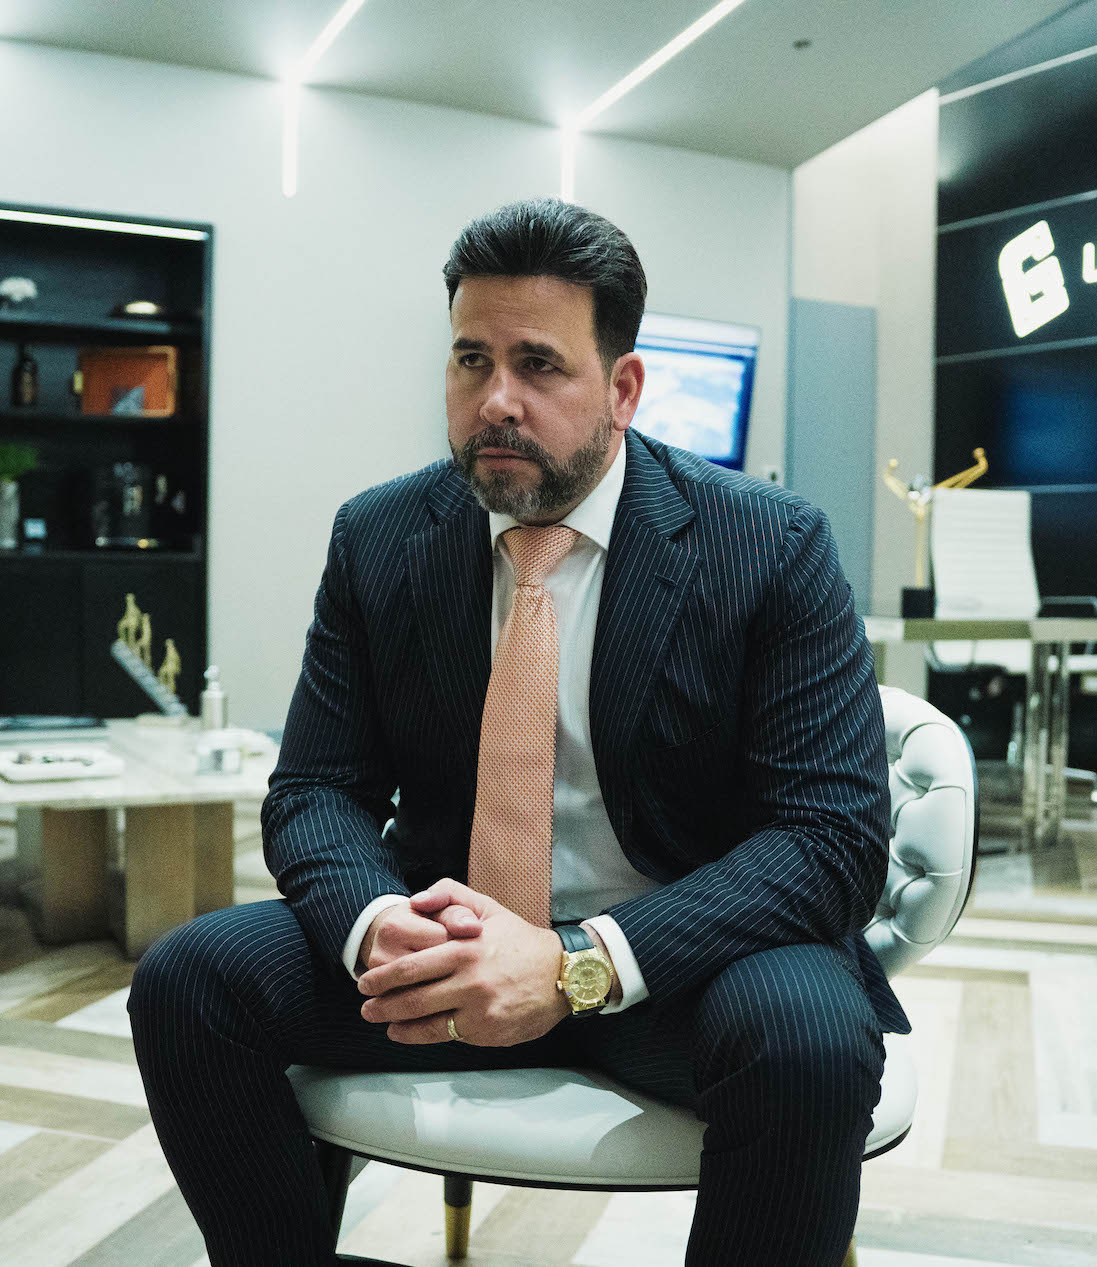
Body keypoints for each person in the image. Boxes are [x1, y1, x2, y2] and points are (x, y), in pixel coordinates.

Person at [128, 197, 908, 1267]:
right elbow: (315, 790)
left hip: (682, 963)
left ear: (622, 389)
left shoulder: (769, 545)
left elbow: (830, 840)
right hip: (446, 954)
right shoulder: (380, 535)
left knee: (809, 1040)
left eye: (539, 365)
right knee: (190, 979)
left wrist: (579, 964)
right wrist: (377, 928)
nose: (496, 401)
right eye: (471, 361)